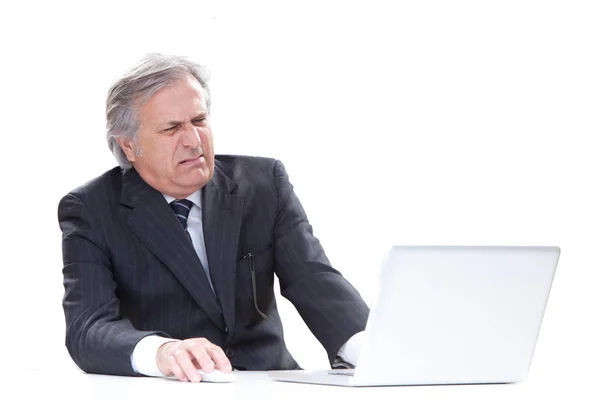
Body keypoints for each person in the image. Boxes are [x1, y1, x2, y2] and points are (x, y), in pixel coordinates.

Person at [58, 53, 369, 382]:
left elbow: (313, 279)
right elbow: (88, 327)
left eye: (199, 120)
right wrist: (162, 352)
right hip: (178, 386)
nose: (193, 140)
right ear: (129, 146)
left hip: (271, 382)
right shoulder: (91, 209)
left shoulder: (264, 184)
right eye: (172, 128)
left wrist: (371, 349)